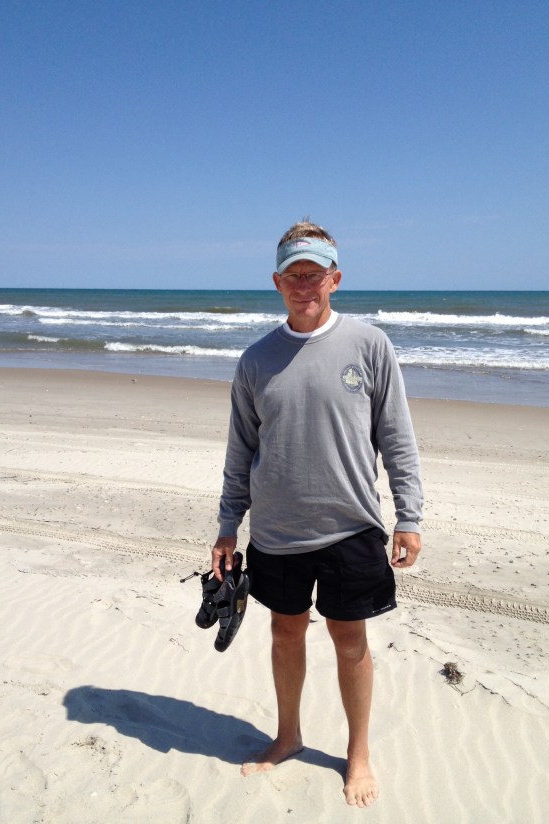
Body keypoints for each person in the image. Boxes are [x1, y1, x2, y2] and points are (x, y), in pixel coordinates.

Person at [212, 220, 423, 808]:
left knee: (348, 638)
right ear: (278, 281)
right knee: (284, 632)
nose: (304, 283)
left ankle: (357, 753)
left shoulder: (369, 345)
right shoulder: (256, 360)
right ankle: (288, 735)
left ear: (335, 278)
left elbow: (396, 437)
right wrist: (228, 525)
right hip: (277, 529)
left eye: (315, 273)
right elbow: (240, 450)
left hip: (352, 525)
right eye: (293, 274)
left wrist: (409, 515)